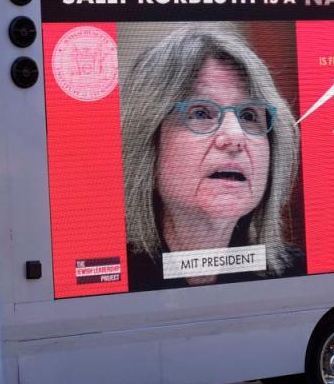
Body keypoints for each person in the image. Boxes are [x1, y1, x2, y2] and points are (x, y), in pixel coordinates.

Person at [121, 25, 303, 290]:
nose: (235, 137)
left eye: (249, 115)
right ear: (147, 142)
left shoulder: (295, 275)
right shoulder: (110, 277)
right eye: (201, 113)